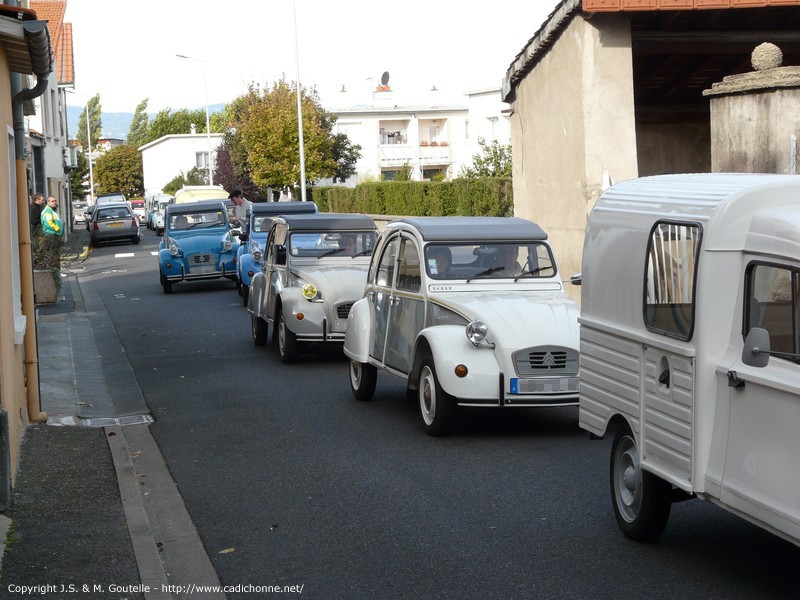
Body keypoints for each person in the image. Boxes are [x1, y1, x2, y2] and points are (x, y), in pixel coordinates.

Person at [40, 196, 63, 268]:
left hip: (55, 235)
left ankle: (56, 270)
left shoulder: (53, 211)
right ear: (48, 202)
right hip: (51, 235)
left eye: (55, 201)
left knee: (56, 255)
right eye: (52, 201)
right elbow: (49, 223)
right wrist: (57, 229)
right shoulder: (47, 211)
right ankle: (54, 271)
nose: (54, 202)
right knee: (53, 255)